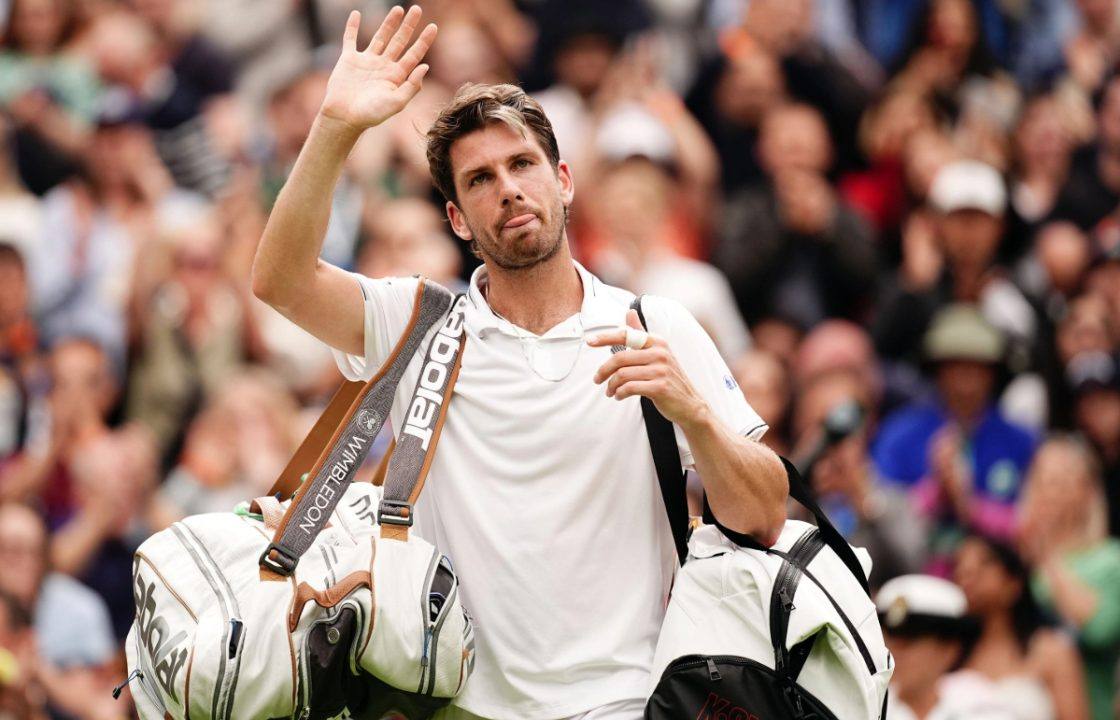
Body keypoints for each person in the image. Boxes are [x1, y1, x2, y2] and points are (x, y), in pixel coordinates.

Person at [251, 7, 788, 719]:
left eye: (522, 165)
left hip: (628, 703)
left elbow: (765, 514)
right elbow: (281, 281)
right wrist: (336, 128)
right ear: (456, 220)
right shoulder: (420, 325)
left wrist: (693, 414)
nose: (506, 188)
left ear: (563, 181)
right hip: (459, 706)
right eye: (478, 180)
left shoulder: (654, 324)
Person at [1018, 436, 1120, 720]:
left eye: (1063, 480)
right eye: (1045, 480)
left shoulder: (1110, 559)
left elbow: (1100, 630)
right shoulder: (1012, 560)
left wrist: (1047, 558)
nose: (1052, 491)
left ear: (1087, 491)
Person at [954, 533, 1089, 720]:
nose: (968, 576)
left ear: (1014, 582)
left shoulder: (1052, 650)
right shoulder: (949, 653)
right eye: (961, 568)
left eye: (984, 564)